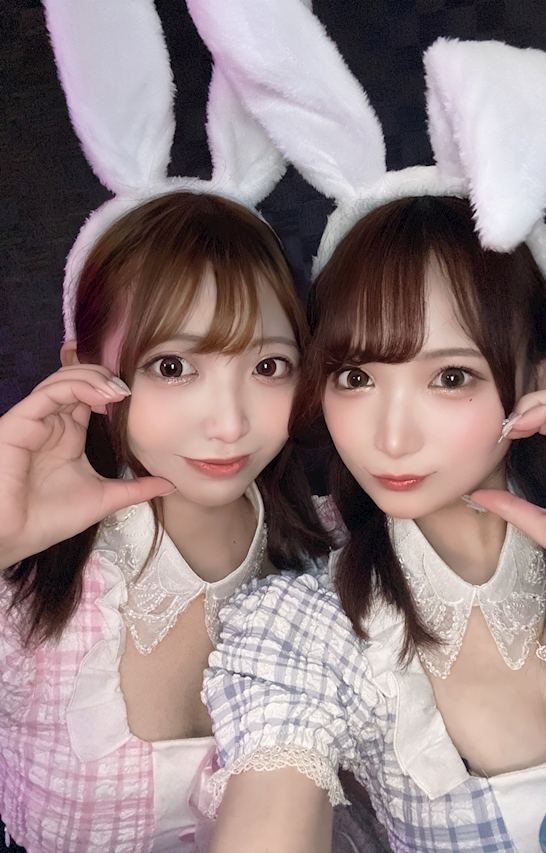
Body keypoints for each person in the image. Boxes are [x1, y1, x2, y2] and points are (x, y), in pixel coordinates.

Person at [189, 18, 546, 850]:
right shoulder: (313, 628)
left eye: (451, 377)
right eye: (356, 377)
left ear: (541, 364)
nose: (390, 438)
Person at [0, 189, 331, 853]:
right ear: (85, 371)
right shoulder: (28, 577)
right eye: (173, 367)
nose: (229, 423)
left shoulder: (334, 553)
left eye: (268, 366)